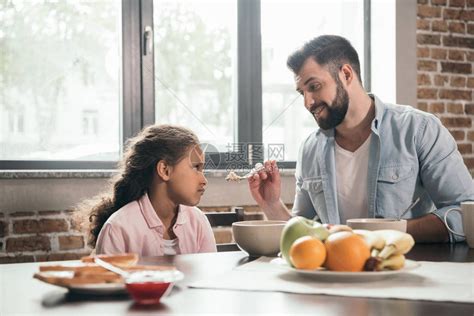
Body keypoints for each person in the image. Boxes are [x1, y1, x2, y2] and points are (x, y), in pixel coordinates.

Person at [248, 35, 473, 243]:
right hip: (336, 280)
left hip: (407, 275)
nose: (308, 102)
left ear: (346, 74)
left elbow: (467, 213)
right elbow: (305, 236)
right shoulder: (310, 149)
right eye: (302, 93)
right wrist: (272, 205)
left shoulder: (419, 129)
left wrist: (391, 233)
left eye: (314, 87)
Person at [86, 124, 216, 255]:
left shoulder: (198, 221)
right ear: (165, 170)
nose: (204, 180)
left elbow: (210, 273)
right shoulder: (117, 228)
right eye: (195, 167)